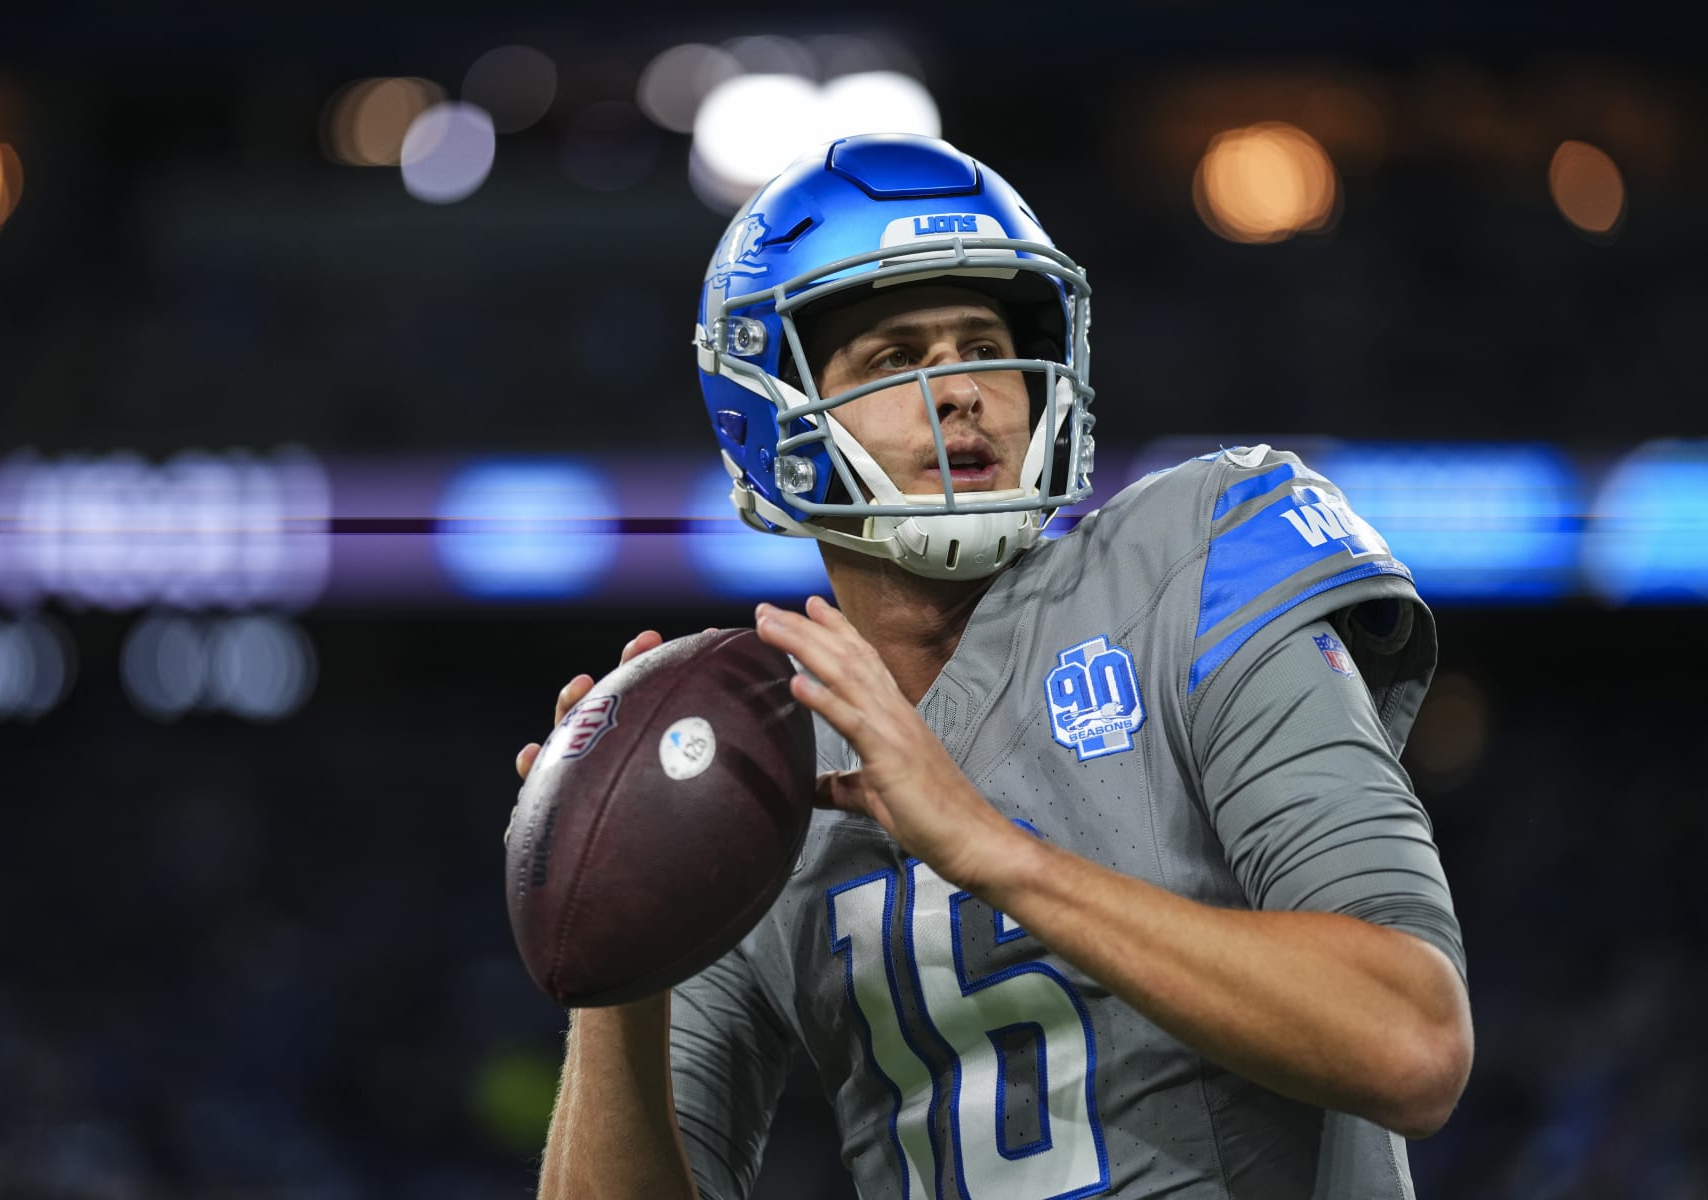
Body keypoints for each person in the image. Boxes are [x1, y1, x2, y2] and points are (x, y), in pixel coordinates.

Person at [521, 133, 1471, 1199]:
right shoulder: (757, 745)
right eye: (895, 360)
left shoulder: (1198, 556)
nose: (963, 389)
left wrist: (984, 846)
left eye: (986, 343)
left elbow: (1411, 1042)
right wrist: (615, 953)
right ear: (774, 416)